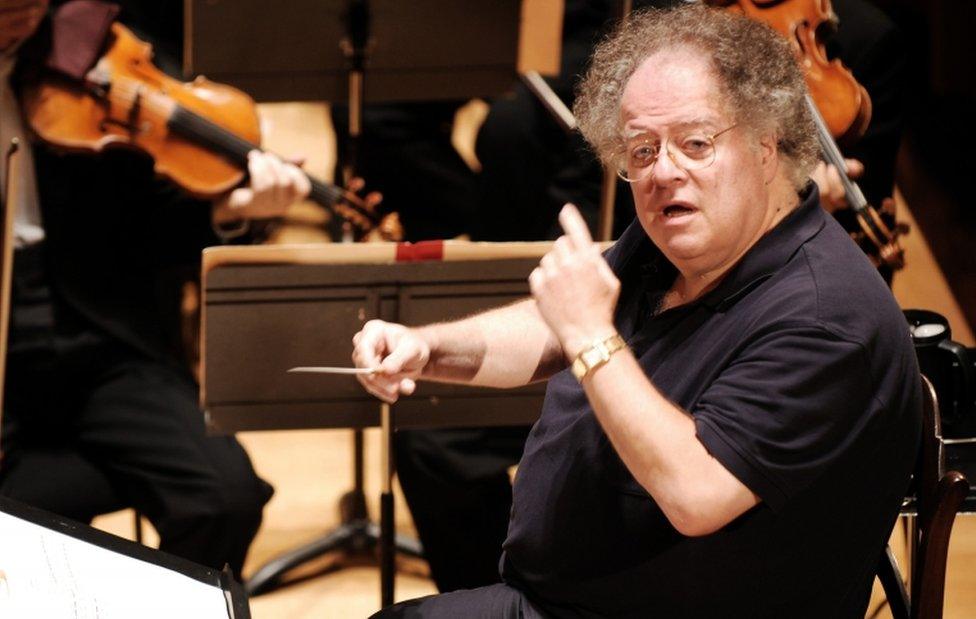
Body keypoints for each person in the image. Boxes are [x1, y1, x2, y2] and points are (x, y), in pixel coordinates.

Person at [352, 5, 921, 616]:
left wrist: (592, 334)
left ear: (766, 145)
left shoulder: (825, 319)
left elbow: (697, 491)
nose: (664, 171)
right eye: (642, 151)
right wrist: (429, 348)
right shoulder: (680, 240)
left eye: (695, 143)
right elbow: (554, 324)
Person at [0, 0, 310, 578]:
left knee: (224, 495)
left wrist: (232, 212)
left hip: (100, 336)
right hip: (3, 351)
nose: (22, 17)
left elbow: (153, 226)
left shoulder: (93, 51)